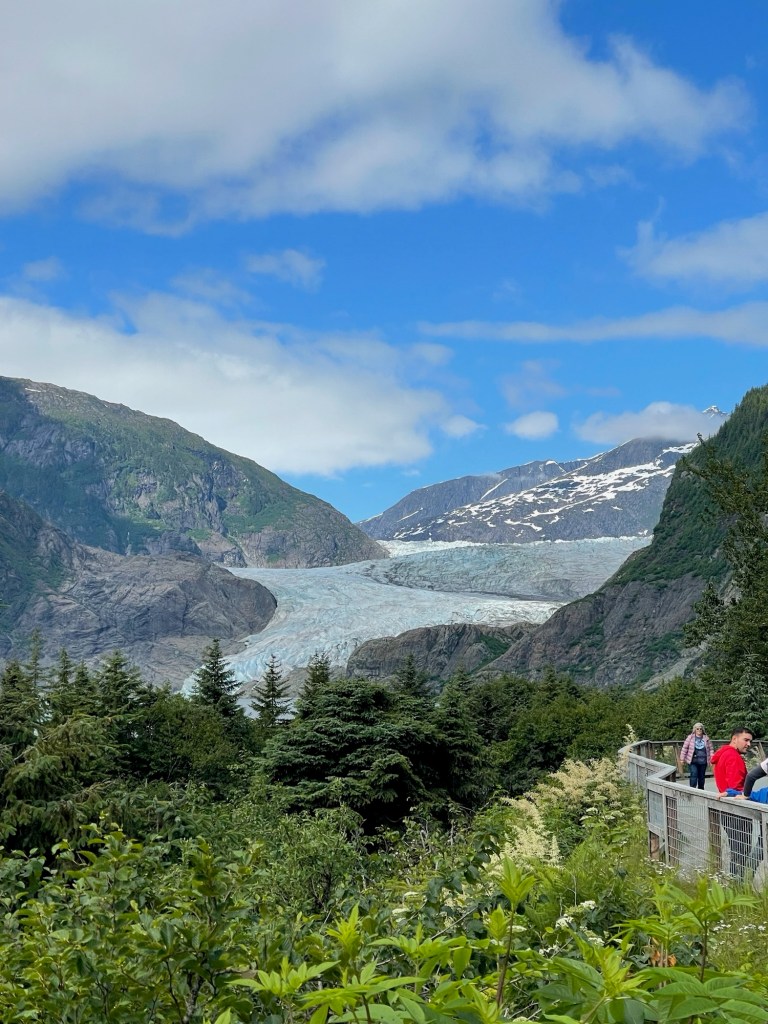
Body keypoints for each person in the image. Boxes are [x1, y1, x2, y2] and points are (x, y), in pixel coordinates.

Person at [712, 727, 754, 879]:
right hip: (737, 809)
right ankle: (737, 884)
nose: (749, 744)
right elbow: (735, 787)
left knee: (736, 849)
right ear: (734, 739)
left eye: (750, 741)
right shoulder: (733, 757)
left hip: (726, 808)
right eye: (746, 740)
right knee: (741, 850)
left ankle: (734, 882)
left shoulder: (723, 754)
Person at [680, 722, 713, 789]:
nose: (699, 730)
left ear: (703, 730)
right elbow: (684, 748)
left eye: (700, 729)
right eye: (697, 729)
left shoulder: (706, 738)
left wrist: (712, 760)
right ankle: (692, 790)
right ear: (694, 729)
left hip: (703, 761)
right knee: (694, 774)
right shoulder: (690, 738)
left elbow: (711, 749)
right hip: (693, 761)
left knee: (701, 777)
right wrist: (682, 759)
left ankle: (701, 790)